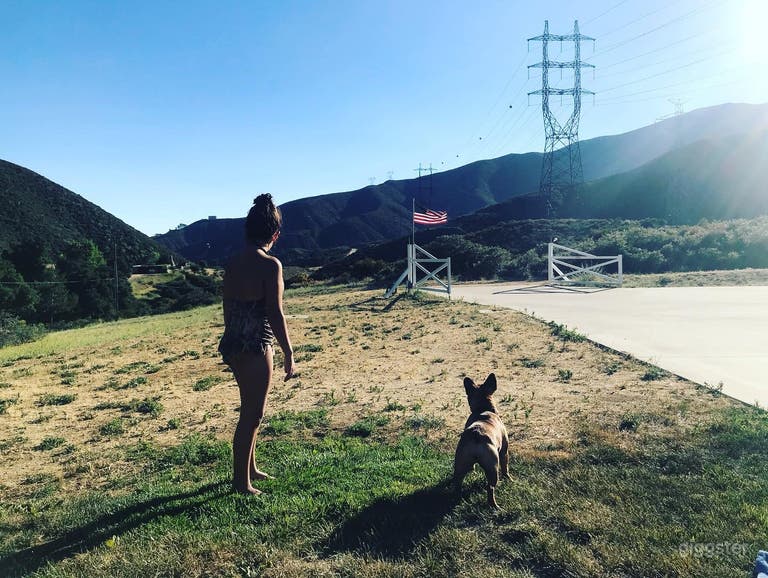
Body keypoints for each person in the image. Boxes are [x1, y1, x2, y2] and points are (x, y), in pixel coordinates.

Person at [218, 194, 296, 495]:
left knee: (249, 410)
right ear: (275, 235)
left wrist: (232, 337)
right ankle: (241, 483)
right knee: (253, 414)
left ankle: (250, 469)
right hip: (256, 344)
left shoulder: (233, 262)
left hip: (234, 340)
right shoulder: (270, 265)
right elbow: (275, 313)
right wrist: (288, 352)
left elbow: (228, 306)